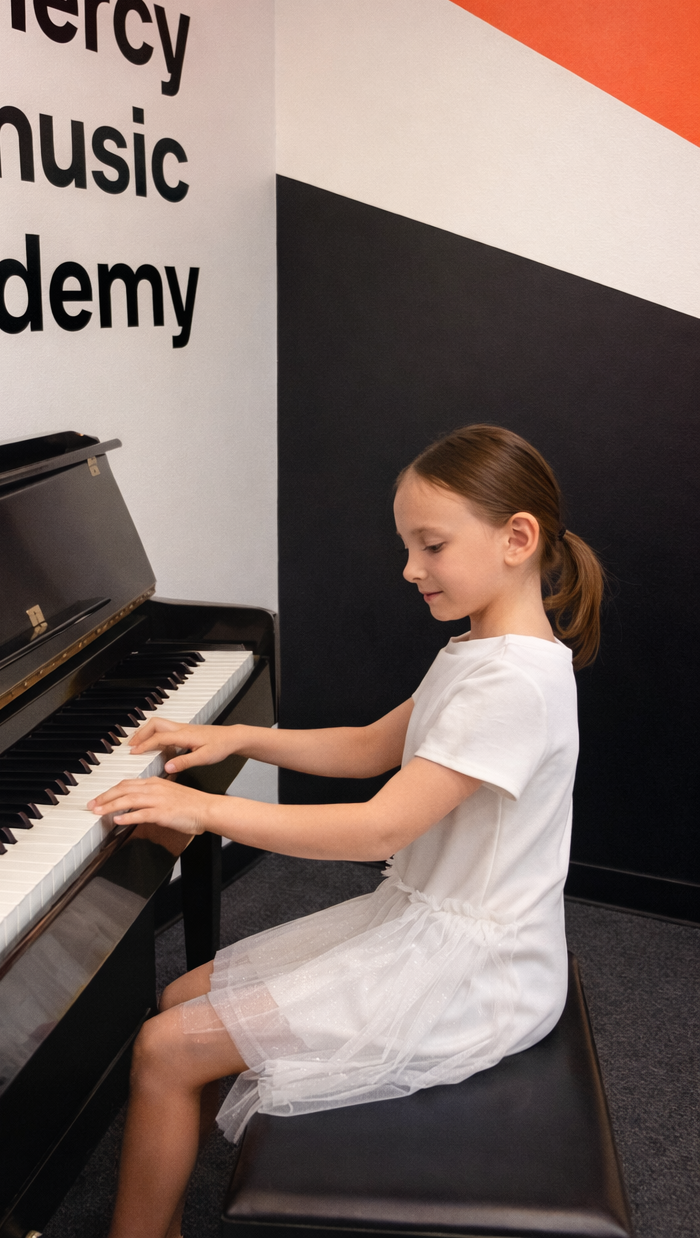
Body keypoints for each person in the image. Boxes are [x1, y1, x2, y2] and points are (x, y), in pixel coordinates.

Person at [87, 424, 605, 1238]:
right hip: (423, 919)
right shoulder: (479, 650)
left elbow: (376, 829)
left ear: (517, 538)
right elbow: (371, 747)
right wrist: (240, 740)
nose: (409, 568)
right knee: (184, 996)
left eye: (430, 545)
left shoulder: (514, 686)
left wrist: (206, 808)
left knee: (162, 1047)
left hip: (478, 971)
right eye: (408, 545)